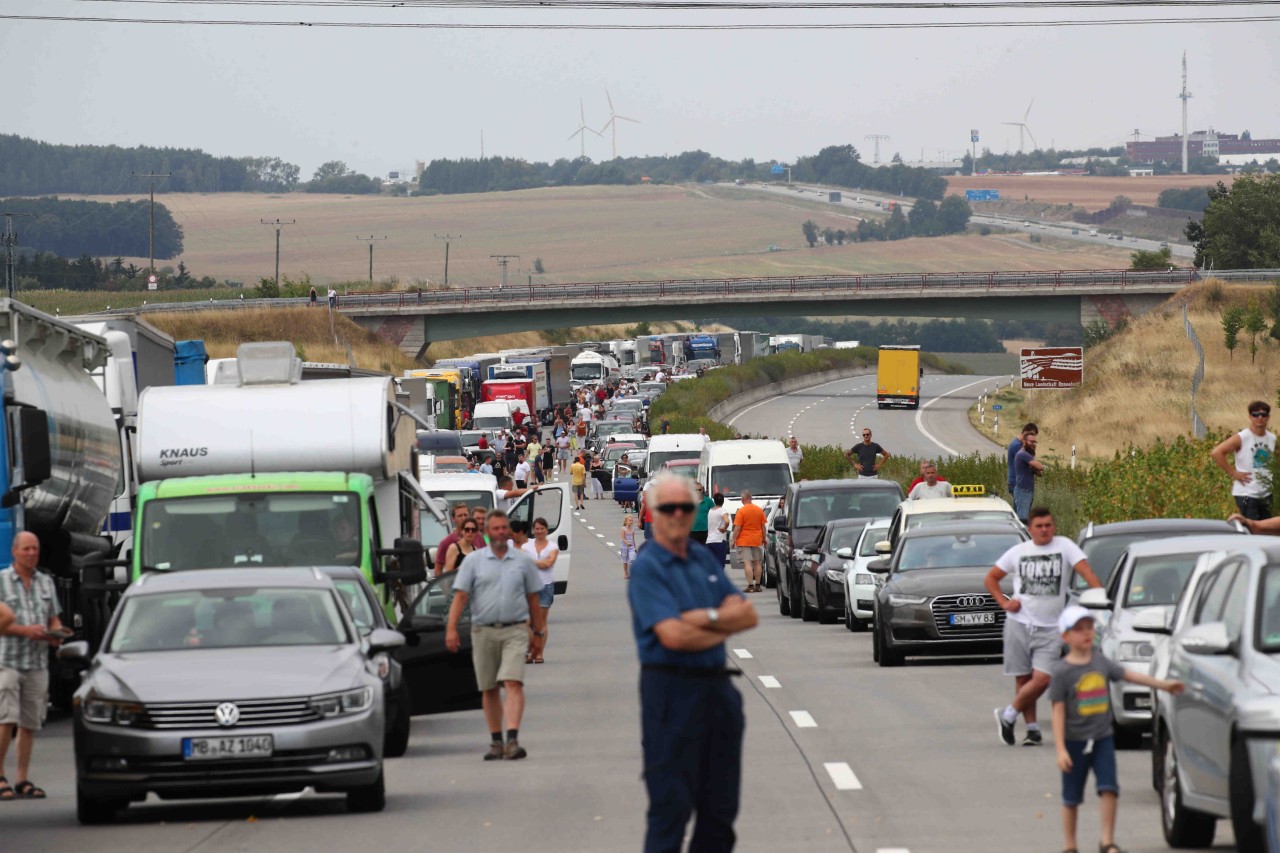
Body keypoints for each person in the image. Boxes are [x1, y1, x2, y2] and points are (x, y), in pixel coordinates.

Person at [626, 473, 758, 853]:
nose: (678, 515)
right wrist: (719, 619)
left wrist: (699, 618)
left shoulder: (701, 557)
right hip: (671, 690)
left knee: (720, 814)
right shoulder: (650, 566)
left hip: (718, 691)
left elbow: (747, 615)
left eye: (685, 507)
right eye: (668, 508)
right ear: (653, 513)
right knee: (671, 808)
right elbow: (673, 637)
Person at [1051, 605, 1184, 853]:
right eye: (1079, 630)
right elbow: (1058, 712)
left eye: (1089, 628)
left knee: (1109, 789)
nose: (1086, 633)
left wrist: (1164, 685)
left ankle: (1107, 841)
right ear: (1065, 637)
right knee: (1071, 797)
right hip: (1074, 742)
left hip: (1102, 739)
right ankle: (1070, 845)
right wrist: (1060, 749)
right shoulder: (1062, 672)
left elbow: (1129, 676)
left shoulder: (1100, 662)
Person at [985, 507, 1103, 747]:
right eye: (1039, 526)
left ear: (1054, 526)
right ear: (1030, 529)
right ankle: (1032, 729)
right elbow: (991, 578)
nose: (1044, 530)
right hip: (1019, 622)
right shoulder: (1019, 552)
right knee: (1023, 677)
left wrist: (1101, 598)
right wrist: (1004, 603)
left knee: (1043, 678)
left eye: (1048, 525)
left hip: (1051, 627)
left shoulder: (1065, 546)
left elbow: (1086, 572)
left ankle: (1008, 714)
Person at [446, 510, 545, 761]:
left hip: (515, 630)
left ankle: (512, 739)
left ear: (508, 531)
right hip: (483, 631)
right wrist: (451, 628)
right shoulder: (473, 562)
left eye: (504, 528)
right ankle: (496, 741)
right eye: (496, 528)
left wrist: (538, 632)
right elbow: (460, 596)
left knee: (513, 682)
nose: (501, 532)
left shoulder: (522, 561)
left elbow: (534, 598)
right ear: (487, 532)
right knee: (489, 687)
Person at [0, 532, 65, 801]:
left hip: (37, 663)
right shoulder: (2, 581)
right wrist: (26, 631)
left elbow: (54, 619)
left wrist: (57, 635)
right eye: (26, 549)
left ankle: (22, 779)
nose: (31, 554)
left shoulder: (45, 582)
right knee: (6, 719)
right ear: (15, 551)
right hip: (7, 661)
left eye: (35, 549)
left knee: (30, 723)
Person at [1211, 400, 1275, 521]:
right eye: (1256, 414)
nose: (1260, 418)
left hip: (1267, 495)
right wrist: (1233, 473)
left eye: (1264, 414)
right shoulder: (1242, 437)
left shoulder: (1272, 438)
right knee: (1251, 533)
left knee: (1268, 533)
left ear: (1268, 417)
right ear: (1250, 417)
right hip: (1247, 495)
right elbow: (1217, 453)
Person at [522, 519, 559, 664]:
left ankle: (539, 654)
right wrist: (540, 563)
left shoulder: (552, 546)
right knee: (526, 622)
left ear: (546, 530)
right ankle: (532, 649)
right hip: (529, 587)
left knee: (541, 622)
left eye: (542, 528)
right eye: (536, 528)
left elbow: (549, 563)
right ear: (533, 530)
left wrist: (532, 562)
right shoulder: (526, 546)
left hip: (545, 585)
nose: (539, 531)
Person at [732, 490, 768, 593]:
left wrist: (733, 540)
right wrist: (764, 538)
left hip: (744, 540)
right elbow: (763, 527)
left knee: (747, 562)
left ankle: (750, 585)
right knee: (757, 562)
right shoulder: (759, 510)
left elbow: (738, 527)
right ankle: (758, 585)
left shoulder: (741, 511)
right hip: (757, 539)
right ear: (751, 498)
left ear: (742, 499)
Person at [1012, 432, 1045, 524]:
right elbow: (1040, 467)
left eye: (1035, 442)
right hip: (1023, 491)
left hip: (1026, 491)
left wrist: (1034, 468)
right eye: (1031, 441)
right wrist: (1037, 466)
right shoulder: (1023, 454)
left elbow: (1039, 473)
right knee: (1023, 520)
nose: (1033, 444)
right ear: (1024, 441)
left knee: (1026, 519)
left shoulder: (1027, 456)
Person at [434, 504, 472, 573]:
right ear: (453, 519)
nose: (463, 518)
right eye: (460, 516)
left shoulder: (479, 537)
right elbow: (438, 571)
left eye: (465, 515)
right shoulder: (446, 543)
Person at [1008, 423, 1038, 496]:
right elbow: (1032, 463)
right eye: (1031, 438)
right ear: (1025, 433)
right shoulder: (1018, 446)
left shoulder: (1019, 445)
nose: (1033, 442)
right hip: (1016, 483)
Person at [705, 493, 729, 566]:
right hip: (719, 539)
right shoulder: (722, 510)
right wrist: (724, 528)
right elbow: (727, 521)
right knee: (720, 563)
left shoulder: (710, 511)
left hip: (709, 540)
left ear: (714, 501)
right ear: (723, 501)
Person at [619, 514, 639, 579]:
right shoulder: (623, 529)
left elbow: (633, 540)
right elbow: (623, 538)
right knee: (625, 561)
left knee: (633, 559)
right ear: (626, 521)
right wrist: (627, 543)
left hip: (631, 547)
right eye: (630, 521)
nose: (631, 522)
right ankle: (626, 573)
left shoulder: (632, 530)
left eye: (632, 521)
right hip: (624, 547)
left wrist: (635, 548)